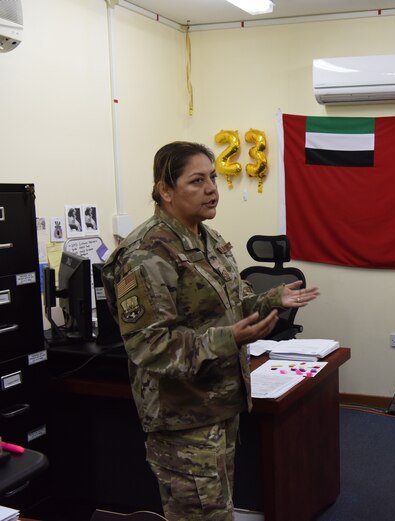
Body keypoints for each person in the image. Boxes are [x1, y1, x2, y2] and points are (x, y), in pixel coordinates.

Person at [102, 141, 320, 521]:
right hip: (182, 418)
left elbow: (231, 306)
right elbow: (150, 346)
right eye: (197, 180)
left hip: (219, 405)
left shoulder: (208, 239)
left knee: (217, 510)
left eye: (213, 178)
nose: (212, 189)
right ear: (165, 191)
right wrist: (230, 339)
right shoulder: (146, 254)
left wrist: (271, 299)